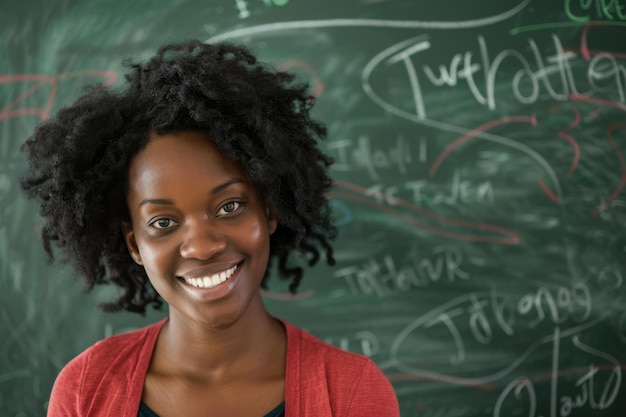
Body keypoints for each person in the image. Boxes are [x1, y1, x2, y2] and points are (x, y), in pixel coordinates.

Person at [21, 40, 400, 417]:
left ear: (269, 211)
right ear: (134, 244)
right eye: (163, 222)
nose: (202, 247)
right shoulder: (86, 390)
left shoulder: (351, 394)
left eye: (229, 206)